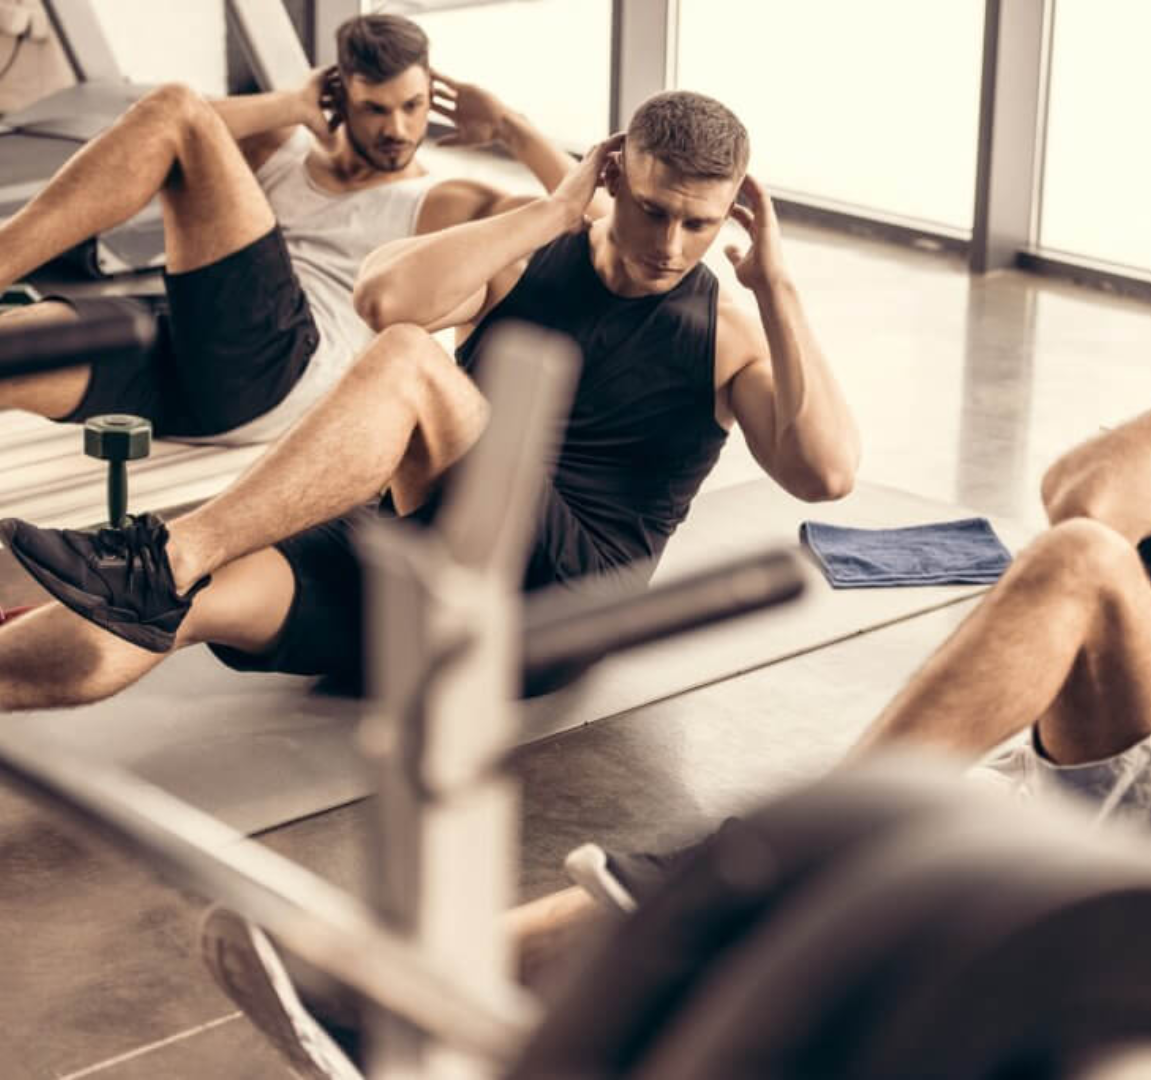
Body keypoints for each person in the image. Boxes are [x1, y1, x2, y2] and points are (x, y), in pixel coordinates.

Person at [540, 265, 1151, 958]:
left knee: (1083, 564)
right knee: (678, 905)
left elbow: (1082, 545)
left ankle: (796, 847)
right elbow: (1084, 498)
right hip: (1045, 803)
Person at [0, 89, 860, 702]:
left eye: (698, 223)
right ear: (608, 176)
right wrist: (553, 213)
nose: (671, 244)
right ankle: (160, 575)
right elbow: (385, 299)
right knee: (174, 609)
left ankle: (167, 550)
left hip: (552, 609)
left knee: (413, 362)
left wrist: (778, 286)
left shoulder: (731, 336)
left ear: (733, 218)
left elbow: (824, 475)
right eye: (649, 209)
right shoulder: (529, 248)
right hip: (416, 560)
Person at [0, 13, 586, 444]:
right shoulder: (283, 150)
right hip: (197, 361)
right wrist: (293, 106)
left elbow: (592, 220)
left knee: (177, 106)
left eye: (413, 105)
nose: (399, 129)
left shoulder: (442, 199)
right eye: (375, 109)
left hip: (286, 365)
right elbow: (140, 137)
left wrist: (511, 126)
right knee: (16, 347)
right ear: (339, 95)